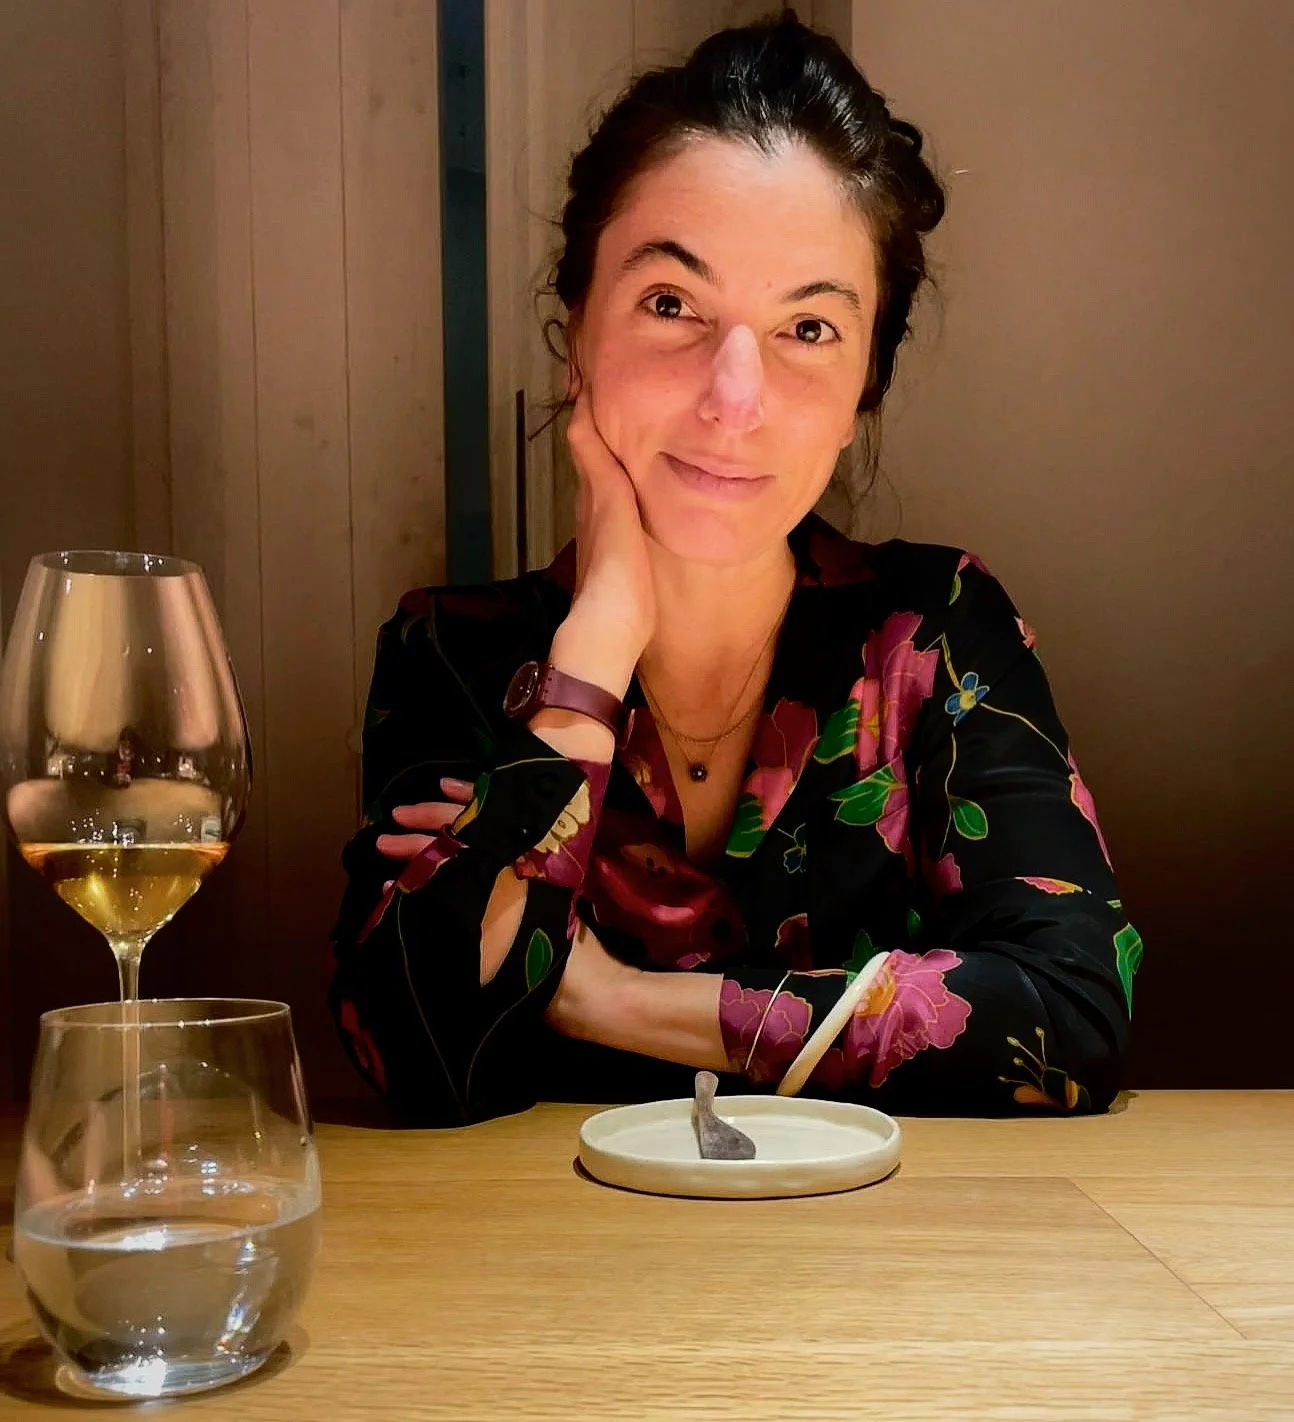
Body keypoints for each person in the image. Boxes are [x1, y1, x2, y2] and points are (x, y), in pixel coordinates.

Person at [329, 13, 1141, 1126]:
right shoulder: (454, 654)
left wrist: (609, 1000)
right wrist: (592, 660)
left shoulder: (937, 629)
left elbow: (1069, 1015)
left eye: (808, 328)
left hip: (890, 1271)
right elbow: (419, 1051)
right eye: (672, 304)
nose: (734, 398)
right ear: (576, 332)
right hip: (547, 1278)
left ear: (864, 387)